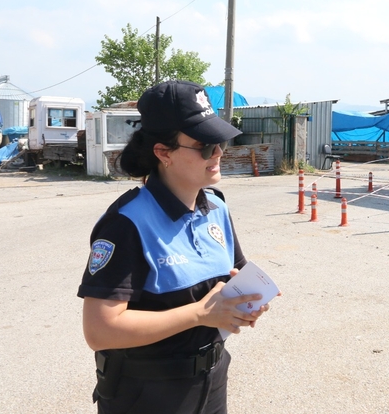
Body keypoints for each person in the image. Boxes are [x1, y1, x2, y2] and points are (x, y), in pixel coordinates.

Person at [78, 80, 272, 414]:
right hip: (146, 394)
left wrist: (243, 304)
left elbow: (229, 280)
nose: (219, 154)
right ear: (163, 153)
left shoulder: (216, 207)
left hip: (211, 382)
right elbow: (100, 331)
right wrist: (199, 314)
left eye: (220, 143)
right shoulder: (127, 224)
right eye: (205, 146)